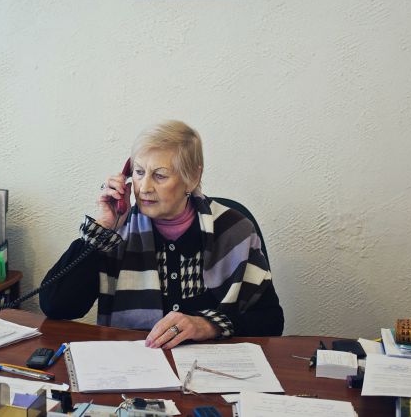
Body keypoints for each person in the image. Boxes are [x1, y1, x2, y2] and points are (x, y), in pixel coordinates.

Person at [39, 120, 284, 349]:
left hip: (210, 371)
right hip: (133, 369)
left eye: (160, 175)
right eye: (138, 172)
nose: (144, 188)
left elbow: (270, 321)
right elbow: (56, 306)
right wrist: (103, 227)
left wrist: (207, 325)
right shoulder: (116, 233)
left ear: (192, 178)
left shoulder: (233, 229)